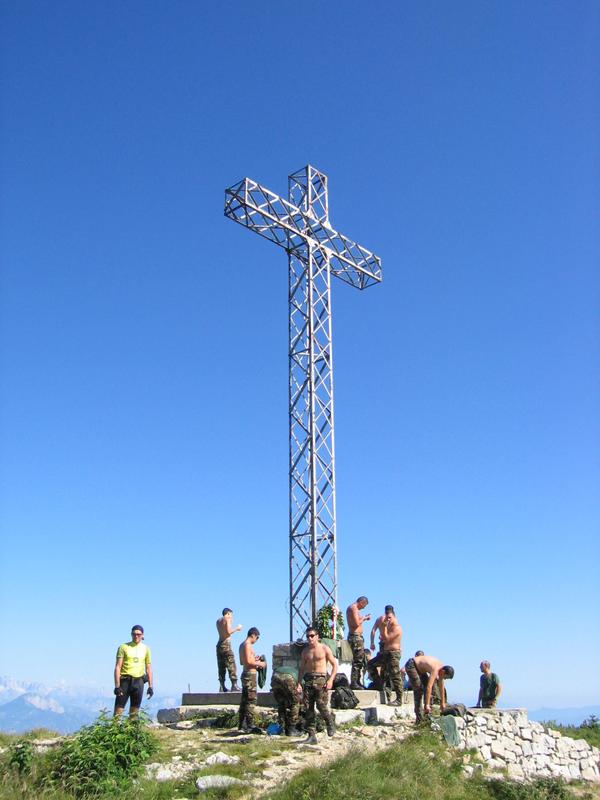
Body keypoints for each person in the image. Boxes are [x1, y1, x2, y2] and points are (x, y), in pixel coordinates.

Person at [297, 626, 337, 744]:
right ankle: (311, 735)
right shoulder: (305, 652)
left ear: (317, 637)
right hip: (308, 679)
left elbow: (334, 665)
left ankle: (329, 722)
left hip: (321, 679)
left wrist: (331, 680)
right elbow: (301, 669)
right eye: (308, 636)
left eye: (312, 636)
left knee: (321, 704)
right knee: (308, 708)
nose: (310, 638)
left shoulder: (324, 649)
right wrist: (299, 683)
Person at [113, 624, 153, 719]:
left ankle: (132, 732)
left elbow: (148, 668)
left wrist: (151, 686)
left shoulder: (146, 649)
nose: (136, 636)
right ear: (131, 634)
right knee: (118, 710)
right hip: (125, 681)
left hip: (139, 681)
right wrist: (117, 686)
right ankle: (114, 731)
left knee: (134, 711)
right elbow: (118, 667)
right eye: (134, 634)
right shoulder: (123, 647)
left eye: (139, 634)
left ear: (142, 635)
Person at [404, 653, 454, 722]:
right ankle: (419, 718)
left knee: (427, 687)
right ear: (443, 672)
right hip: (411, 665)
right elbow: (429, 687)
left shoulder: (441, 669)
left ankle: (426, 714)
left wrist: (443, 703)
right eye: (445, 677)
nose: (444, 679)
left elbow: (441, 687)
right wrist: (427, 704)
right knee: (419, 689)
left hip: (420, 669)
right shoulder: (435, 669)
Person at [238, 627, 267, 732]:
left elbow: (243, 661)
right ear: (253, 635)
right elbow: (248, 662)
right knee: (251, 700)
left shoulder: (242, 645)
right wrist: (261, 664)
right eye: (257, 638)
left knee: (245, 700)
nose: (257, 640)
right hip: (250, 675)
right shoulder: (247, 645)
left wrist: (254, 659)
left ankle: (241, 724)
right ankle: (249, 725)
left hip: (246, 674)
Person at [379, 605, 403, 706]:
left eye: (390, 618)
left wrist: (383, 627)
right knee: (385, 674)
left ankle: (399, 699)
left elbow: (387, 639)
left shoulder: (397, 628)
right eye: (386, 617)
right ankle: (386, 695)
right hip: (386, 653)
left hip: (393, 653)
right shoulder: (388, 626)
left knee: (395, 676)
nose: (388, 620)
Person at [345, 596, 371, 689]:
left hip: (356, 636)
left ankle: (357, 681)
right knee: (357, 660)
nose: (363, 608)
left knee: (360, 660)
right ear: (362, 602)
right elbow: (356, 623)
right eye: (364, 605)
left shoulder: (353, 608)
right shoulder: (354, 608)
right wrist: (364, 618)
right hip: (355, 637)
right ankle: (354, 682)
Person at [270, 665, 302, 736]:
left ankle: (282, 728)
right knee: (295, 703)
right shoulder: (301, 678)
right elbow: (299, 691)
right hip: (288, 678)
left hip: (275, 677)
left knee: (281, 703)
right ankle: (292, 729)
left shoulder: (293, 670)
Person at [216, 608, 242, 692]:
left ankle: (222, 686)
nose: (231, 616)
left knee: (221, 666)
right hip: (226, 644)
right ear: (228, 613)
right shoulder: (227, 618)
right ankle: (234, 685)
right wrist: (237, 628)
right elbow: (228, 632)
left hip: (219, 644)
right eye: (231, 614)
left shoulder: (218, 621)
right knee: (231, 664)